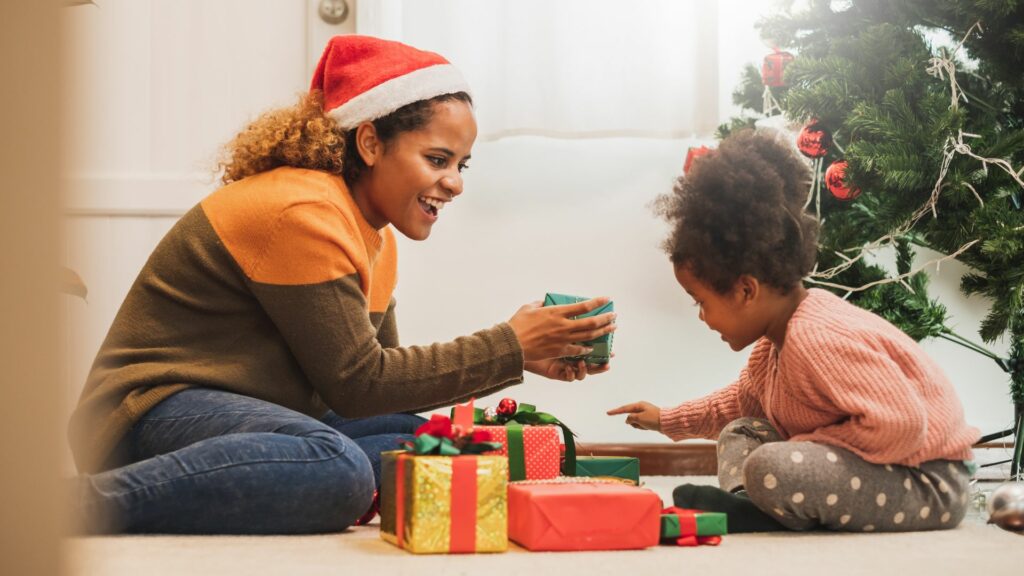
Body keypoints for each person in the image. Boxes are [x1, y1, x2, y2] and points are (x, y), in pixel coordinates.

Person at [69, 35, 615, 535]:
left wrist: (522, 356)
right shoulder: (303, 211)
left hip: (244, 407)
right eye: (437, 159)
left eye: (462, 165)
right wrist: (510, 344)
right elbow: (360, 385)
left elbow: (387, 387)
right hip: (149, 411)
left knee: (414, 439)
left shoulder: (373, 232)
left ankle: (274, 481)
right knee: (339, 467)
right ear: (371, 143)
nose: (454, 183)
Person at [608, 130, 978, 533]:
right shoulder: (773, 346)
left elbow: (902, 426)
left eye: (701, 302)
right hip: (879, 467)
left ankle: (762, 501)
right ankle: (751, 505)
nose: (702, 317)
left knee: (772, 465)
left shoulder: (818, 337)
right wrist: (667, 419)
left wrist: (803, 447)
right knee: (742, 431)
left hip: (928, 481)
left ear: (746, 290)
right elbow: (738, 405)